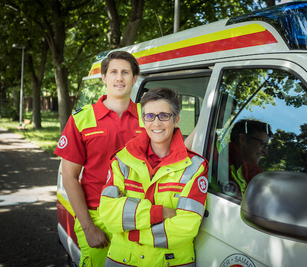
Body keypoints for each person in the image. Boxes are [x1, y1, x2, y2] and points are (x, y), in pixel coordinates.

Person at [99, 87, 208, 267]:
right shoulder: (122, 160)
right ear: (143, 121)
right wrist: (159, 213)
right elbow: (109, 214)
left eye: (164, 115)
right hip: (123, 260)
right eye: (149, 116)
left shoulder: (195, 166)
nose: (156, 123)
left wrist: (132, 232)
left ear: (176, 120)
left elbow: (186, 227)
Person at [54, 51, 143, 267]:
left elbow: (174, 154)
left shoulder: (148, 117)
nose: (119, 78)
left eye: (125, 72)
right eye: (113, 72)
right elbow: (69, 177)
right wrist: (88, 227)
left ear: (135, 78)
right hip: (97, 217)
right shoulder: (81, 119)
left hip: (139, 217)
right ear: (104, 78)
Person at [221, 119, 272, 199]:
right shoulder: (223, 166)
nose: (265, 152)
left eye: (266, 147)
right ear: (243, 139)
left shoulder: (246, 172)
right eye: (263, 144)